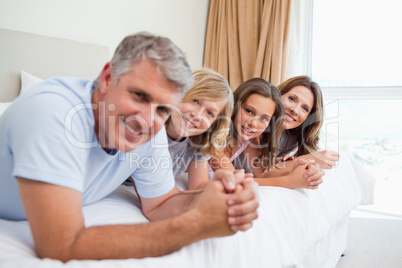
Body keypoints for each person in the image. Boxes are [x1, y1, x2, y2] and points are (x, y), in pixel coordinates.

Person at [0, 32, 259, 261]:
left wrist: (220, 198)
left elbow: (160, 204)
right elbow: (60, 244)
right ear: (107, 78)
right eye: (139, 96)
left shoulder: (154, 126)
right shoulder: (53, 112)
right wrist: (197, 224)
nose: (146, 119)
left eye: (163, 108)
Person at [209, 78, 323, 189]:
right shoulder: (217, 135)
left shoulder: (250, 137)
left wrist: (299, 167)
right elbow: (235, 182)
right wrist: (289, 181)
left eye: (263, 118)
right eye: (249, 111)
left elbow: (263, 172)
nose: (253, 123)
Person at [165, 68, 233, 190]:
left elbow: (198, 186)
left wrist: (220, 187)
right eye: (195, 101)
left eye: (210, 113)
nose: (197, 115)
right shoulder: (152, 128)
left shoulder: (198, 142)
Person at [276, 75, 339, 169]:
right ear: (278, 95)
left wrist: (284, 163)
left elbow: (268, 169)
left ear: (308, 117)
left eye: (305, 108)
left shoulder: (291, 138)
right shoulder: (254, 127)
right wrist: (309, 159)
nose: (295, 110)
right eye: (292, 99)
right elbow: (257, 172)